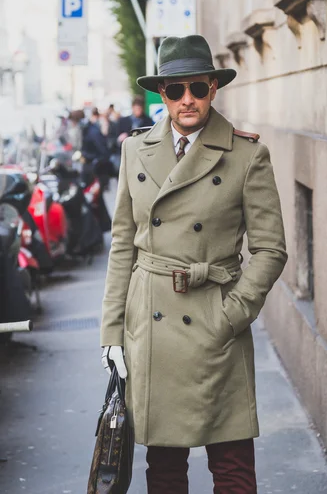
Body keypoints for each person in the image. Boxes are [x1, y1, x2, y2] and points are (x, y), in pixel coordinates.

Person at [100, 35, 287, 493]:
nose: (188, 100)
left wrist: (231, 314)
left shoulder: (246, 155)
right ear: (161, 94)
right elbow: (123, 243)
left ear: (213, 89)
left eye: (198, 89)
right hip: (153, 324)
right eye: (176, 90)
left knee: (233, 468)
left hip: (215, 319)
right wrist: (112, 333)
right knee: (163, 470)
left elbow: (271, 249)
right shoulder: (134, 150)